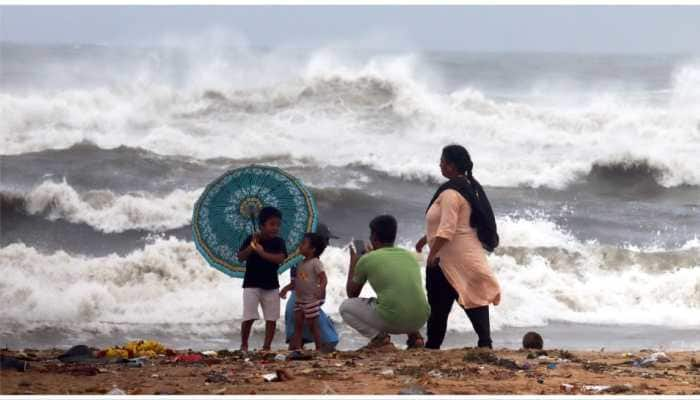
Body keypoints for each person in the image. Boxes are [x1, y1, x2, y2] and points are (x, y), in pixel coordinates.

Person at [415, 144, 501, 349]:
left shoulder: (451, 193)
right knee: (473, 300)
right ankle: (485, 343)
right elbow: (457, 222)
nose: (440, 165)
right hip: (469, 256)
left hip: (448, 258)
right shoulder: (469, 186)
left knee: (439, 308)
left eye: (442, 162)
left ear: (451, 166)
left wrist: (432, 253)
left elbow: (447, 229)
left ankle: (433, 346)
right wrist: (425, 239)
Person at [340, 215, 430, 349]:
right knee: (400, 296)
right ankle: (415, 338)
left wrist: (354, 262)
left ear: (374, 237)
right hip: (421, 319)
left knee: (345, 307)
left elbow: (352, 293)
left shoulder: (368, 259)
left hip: (394, 320)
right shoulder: (408, 255)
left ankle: (380, 339)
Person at [281, 224, 339, 352]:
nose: (327, 244)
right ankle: (316, 346)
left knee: (299, 328)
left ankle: (297, 345)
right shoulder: (307, 262)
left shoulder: (302, 262)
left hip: (297, 301)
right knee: (329, 340)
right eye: (326, 240)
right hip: (301, 301)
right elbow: (298, 283)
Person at [237, 206, 288, 352]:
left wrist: (262, 252)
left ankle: (267, 346)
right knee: (249, 316)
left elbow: (280, 259)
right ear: (262, 225)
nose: (275, 228)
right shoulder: (251, 239)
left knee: (271, 318)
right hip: (251, 284)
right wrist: (252, 247)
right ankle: (244, 344)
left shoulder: (279, 242)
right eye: (272, 224)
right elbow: (241, 257)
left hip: (271, 285)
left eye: (278, 224)